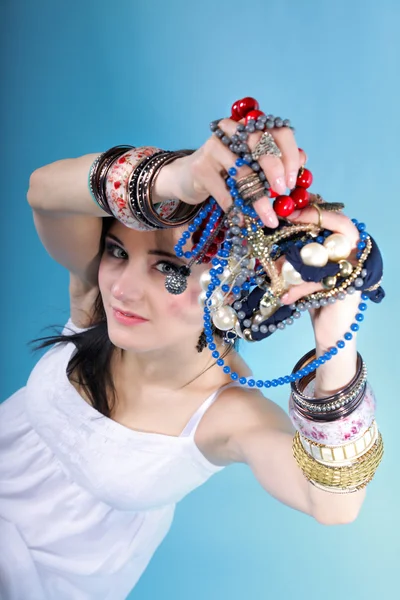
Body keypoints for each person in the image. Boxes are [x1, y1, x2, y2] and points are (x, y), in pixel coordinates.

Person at [0, 104, 383, 599]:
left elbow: (334, 506)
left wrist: (336, 332)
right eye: (117, 252)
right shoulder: (97, 303)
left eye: (168, 270)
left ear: (228, 285)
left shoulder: (225, 415)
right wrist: (169, 178)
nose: (122, 289)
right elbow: (44, 192)